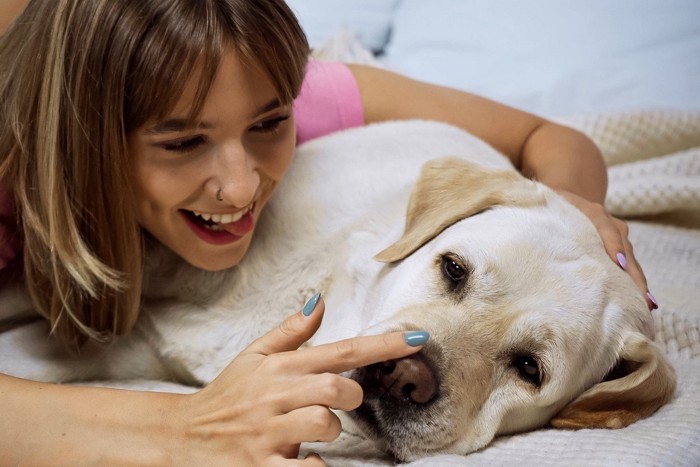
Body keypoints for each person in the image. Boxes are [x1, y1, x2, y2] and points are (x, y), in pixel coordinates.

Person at [0, 0, 656, 464]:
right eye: (183, 141)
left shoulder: (268, 93)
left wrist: (574, 213)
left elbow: (549, 137)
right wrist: (186, 427)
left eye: (269, 125)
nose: (243, 187)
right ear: (81, 135)